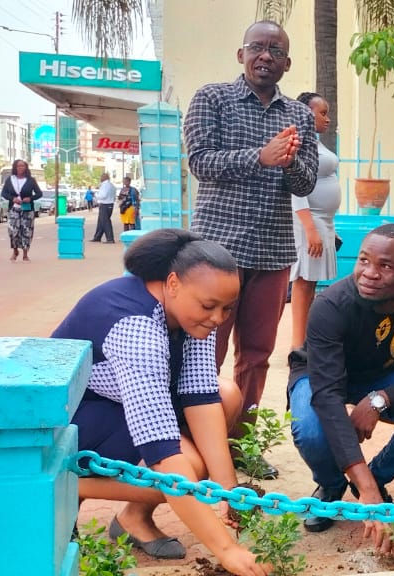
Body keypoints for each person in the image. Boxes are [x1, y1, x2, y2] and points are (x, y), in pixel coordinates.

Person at [52, 229, 268, 576]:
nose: (217, 319)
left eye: (227, 309)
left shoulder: (190, 315)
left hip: (116, 404)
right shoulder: (137, 330)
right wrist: (226, 550)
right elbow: (164, 453)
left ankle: (133, 518)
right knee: (188, 469)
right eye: (209, 306)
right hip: (75, 419)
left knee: (226, 395)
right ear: (172, 284)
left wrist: (228, 490)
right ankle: (65, 485)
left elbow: (201, 395)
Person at [186, 20, 318, 479]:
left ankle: (239, 443)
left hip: (272, 249)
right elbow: (200, 162)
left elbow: (307, 183)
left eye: (275, 50)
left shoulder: (298, 116)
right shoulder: (212, 98)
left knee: (258, 354)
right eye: (257, 48)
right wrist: (260, 156)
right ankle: (196, 444)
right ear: (241, 55)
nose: (265, 56)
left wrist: (289, 159)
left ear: (287, 63)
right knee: (205, 350)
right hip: (215, 252)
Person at [286, 223, 394, 548]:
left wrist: (380, 399)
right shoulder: (331, 305)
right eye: (364, 260)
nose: (369, 273)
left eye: (385, 266)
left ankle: (371, 481)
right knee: (310, 427)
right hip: (318, 375)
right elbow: (328, 397)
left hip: (381, 375)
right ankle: (333, 485)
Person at [289, 91, 341, 349]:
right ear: (307, 113)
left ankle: (305, 342)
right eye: (322, 113)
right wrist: (310, 228)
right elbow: (294, 187)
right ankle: (297, 346)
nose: (327, 119)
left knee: (310, 284)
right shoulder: (296, 142)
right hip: (308, 220)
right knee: (303, 283)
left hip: (323, 221)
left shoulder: (314, 142)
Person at [0, 159, 43, 262]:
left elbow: (39, 193)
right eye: (18, 166)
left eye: (22, 166)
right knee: (13, 231)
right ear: (15, 168)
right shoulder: (10, 180)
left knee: (26, 231)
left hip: (27, 210)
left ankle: (25, 254)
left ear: (26, 168)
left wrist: (30, 198)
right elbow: (4, 193)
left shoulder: (31, 180)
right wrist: (13, 199)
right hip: (14, 209)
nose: (20, 168)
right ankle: (15, 251)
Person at [91, 172, 117, 244]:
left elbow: (103, 195)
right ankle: (97, 237)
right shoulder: (111, 185)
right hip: (110, 204)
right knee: (101, 221)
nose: (100, 178)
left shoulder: (105, 185)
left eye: (101, 177)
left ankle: (110, 238)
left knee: (105, 222)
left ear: (104, 177)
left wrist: (96, 195)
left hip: (105, 204)